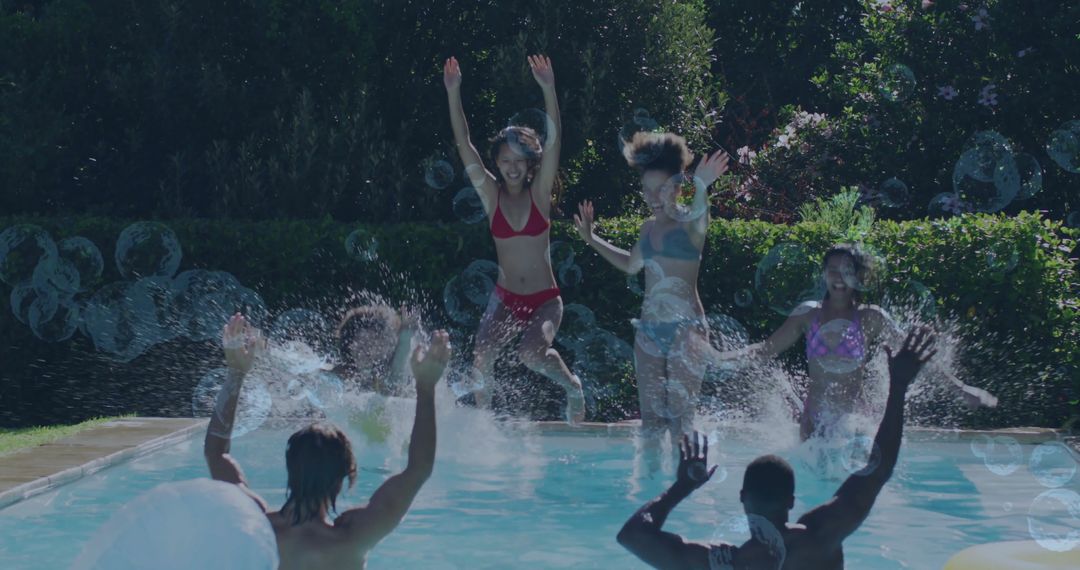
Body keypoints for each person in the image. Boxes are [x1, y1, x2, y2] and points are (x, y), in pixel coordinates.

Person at [617, 327, 936, 569]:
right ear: (791, 500)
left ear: (743, 499)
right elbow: (876, 471)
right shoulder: (822, 536)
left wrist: (681, 487)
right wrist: (898, 386)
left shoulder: (727, 561)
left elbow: (631, 536)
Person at [204, 314, 451, 569]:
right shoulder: (352, 538)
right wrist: (426, 386)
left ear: (290, 467)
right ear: (347, 475)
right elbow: (419, 469)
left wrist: (235, 373)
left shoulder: (257, 525)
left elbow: (215, 454)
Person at [716, 244, 995, 439]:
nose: (839, 278)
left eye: (847, 270)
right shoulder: (808, 315)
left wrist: (961, 388)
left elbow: (915, 355)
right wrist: (717, 359)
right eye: (833, 270)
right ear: (824, 273)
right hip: (813, 419)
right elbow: (764, 350)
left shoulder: (870, 318)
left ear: (858, 276)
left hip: (855, 419)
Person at [443, 54, 585, 423]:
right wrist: (453, 92)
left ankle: (572, 386)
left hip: (544, 301)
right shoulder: (492, 198)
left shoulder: (539, 196)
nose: (512, 165)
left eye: (520, 159)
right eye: (505, 159)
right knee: (481, 354)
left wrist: (549, 89)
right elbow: (464, 145)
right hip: (506, 299)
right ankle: (485, 424)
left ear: (530, 165)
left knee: (530, 354)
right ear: (497, 162)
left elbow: (554, 143)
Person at [573, 132, 728, 458]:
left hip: (687, 330)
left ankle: (685, 493)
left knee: (680, 423)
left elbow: (697, 208)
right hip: (650, 331)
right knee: (652, 426)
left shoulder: (691, 224)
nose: (654, 196)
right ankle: (652, 492)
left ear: (677, 186)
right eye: (647, 189)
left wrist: (700, 182)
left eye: (662, 188)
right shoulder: (648, 228)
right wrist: (591, 239)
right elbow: (631, 265)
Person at [334, 303, 422, 395]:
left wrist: (405, 338)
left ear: (388, 347)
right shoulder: (342, 373)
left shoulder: (388, 373)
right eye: (362, 346)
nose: (369, 353)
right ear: (348, 344)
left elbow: (398, 364)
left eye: (375, 346)